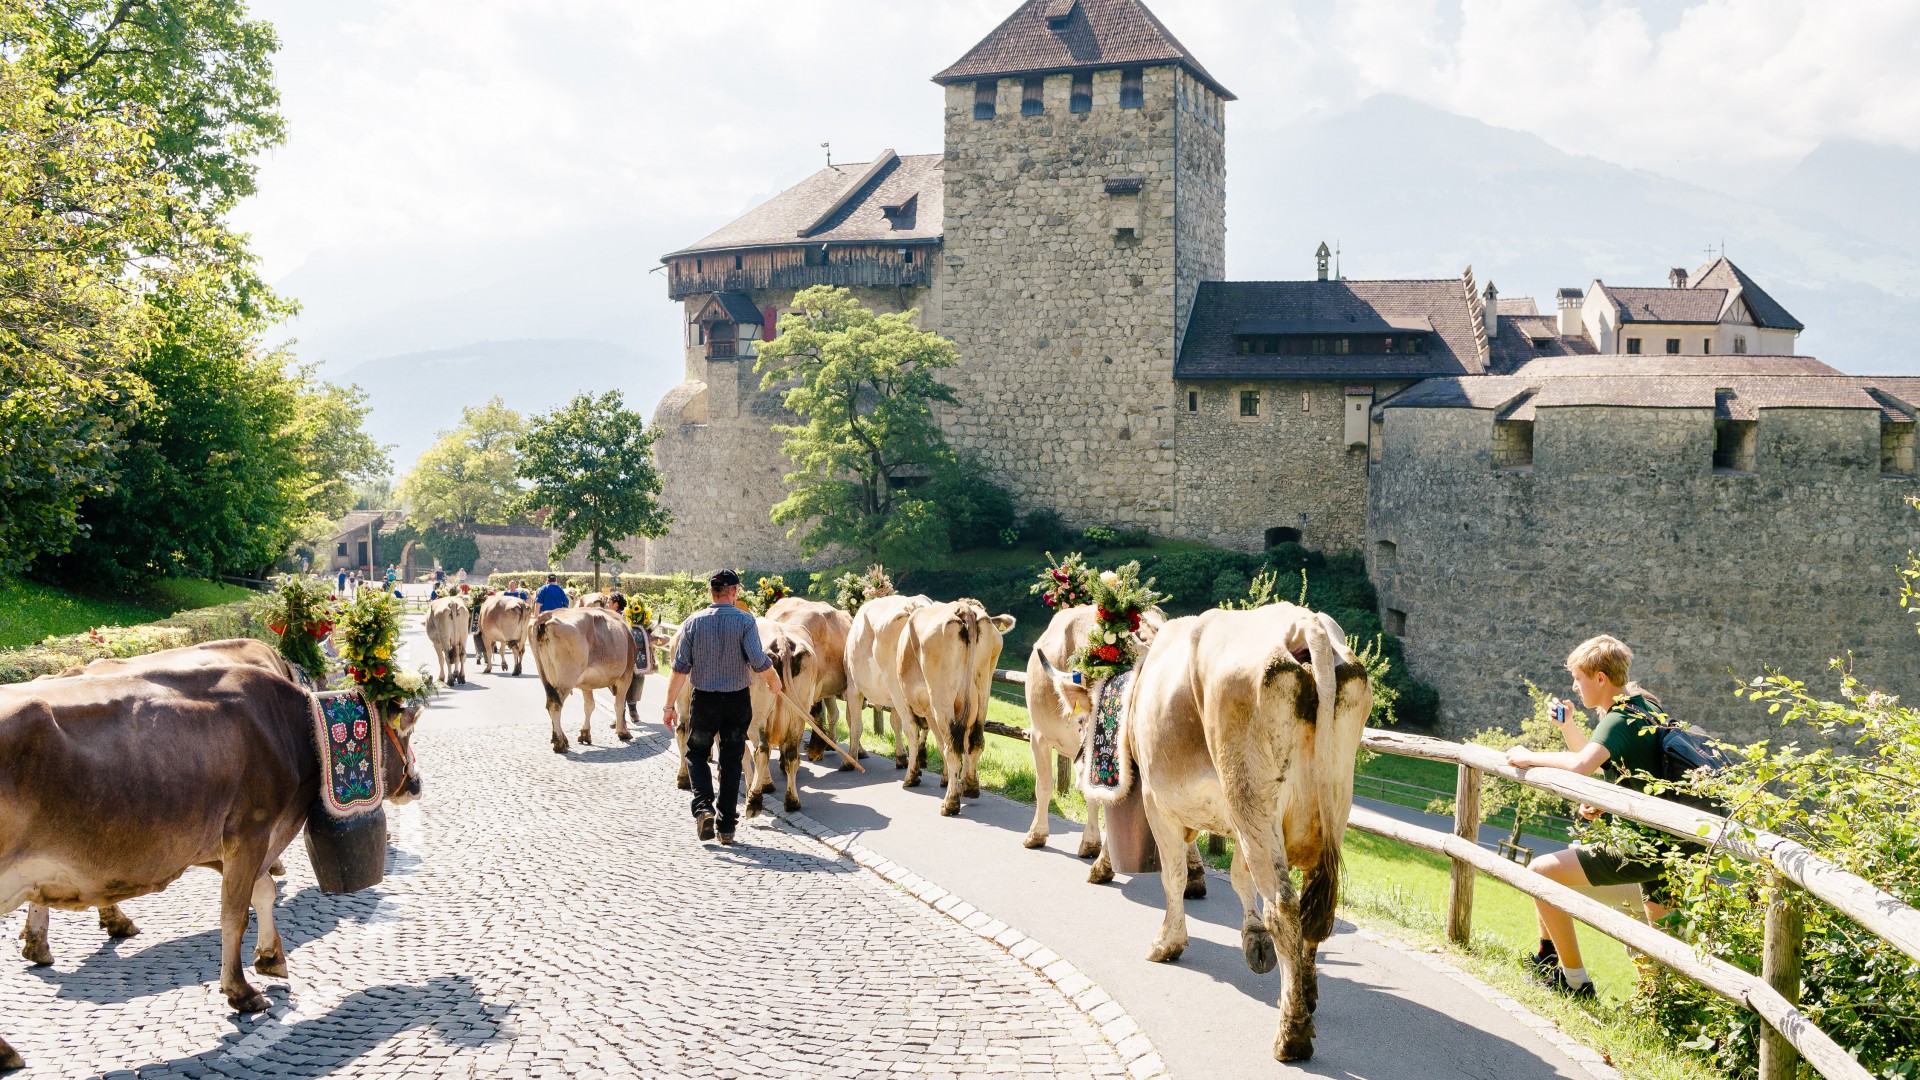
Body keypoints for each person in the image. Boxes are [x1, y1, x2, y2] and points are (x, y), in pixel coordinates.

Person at [1506, 634, 1689, 1000]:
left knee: (1542, 872)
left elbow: (1580, 765)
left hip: (1638, 847)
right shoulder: (1644, 705)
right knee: (1662, 954)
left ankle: (1573, 980)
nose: (1574, 685)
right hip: (1667, 848)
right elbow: (1604, 762)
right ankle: (1665, 1014)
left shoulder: (1619, 718)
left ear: (1601, 678)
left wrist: (1528, 756)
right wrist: (1568, 727)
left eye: (1579, 677)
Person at [661, 570, 778, 845]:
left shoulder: (693, 622)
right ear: (734, 591)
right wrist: (775, 682)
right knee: (731, 761)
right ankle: (726, 828)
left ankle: (703, 808)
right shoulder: (746, 621)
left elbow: (678, 670)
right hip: (738, 701)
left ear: (711, 591)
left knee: (697, 754)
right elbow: (758, 660)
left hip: (705, 701)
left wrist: (669, 706)